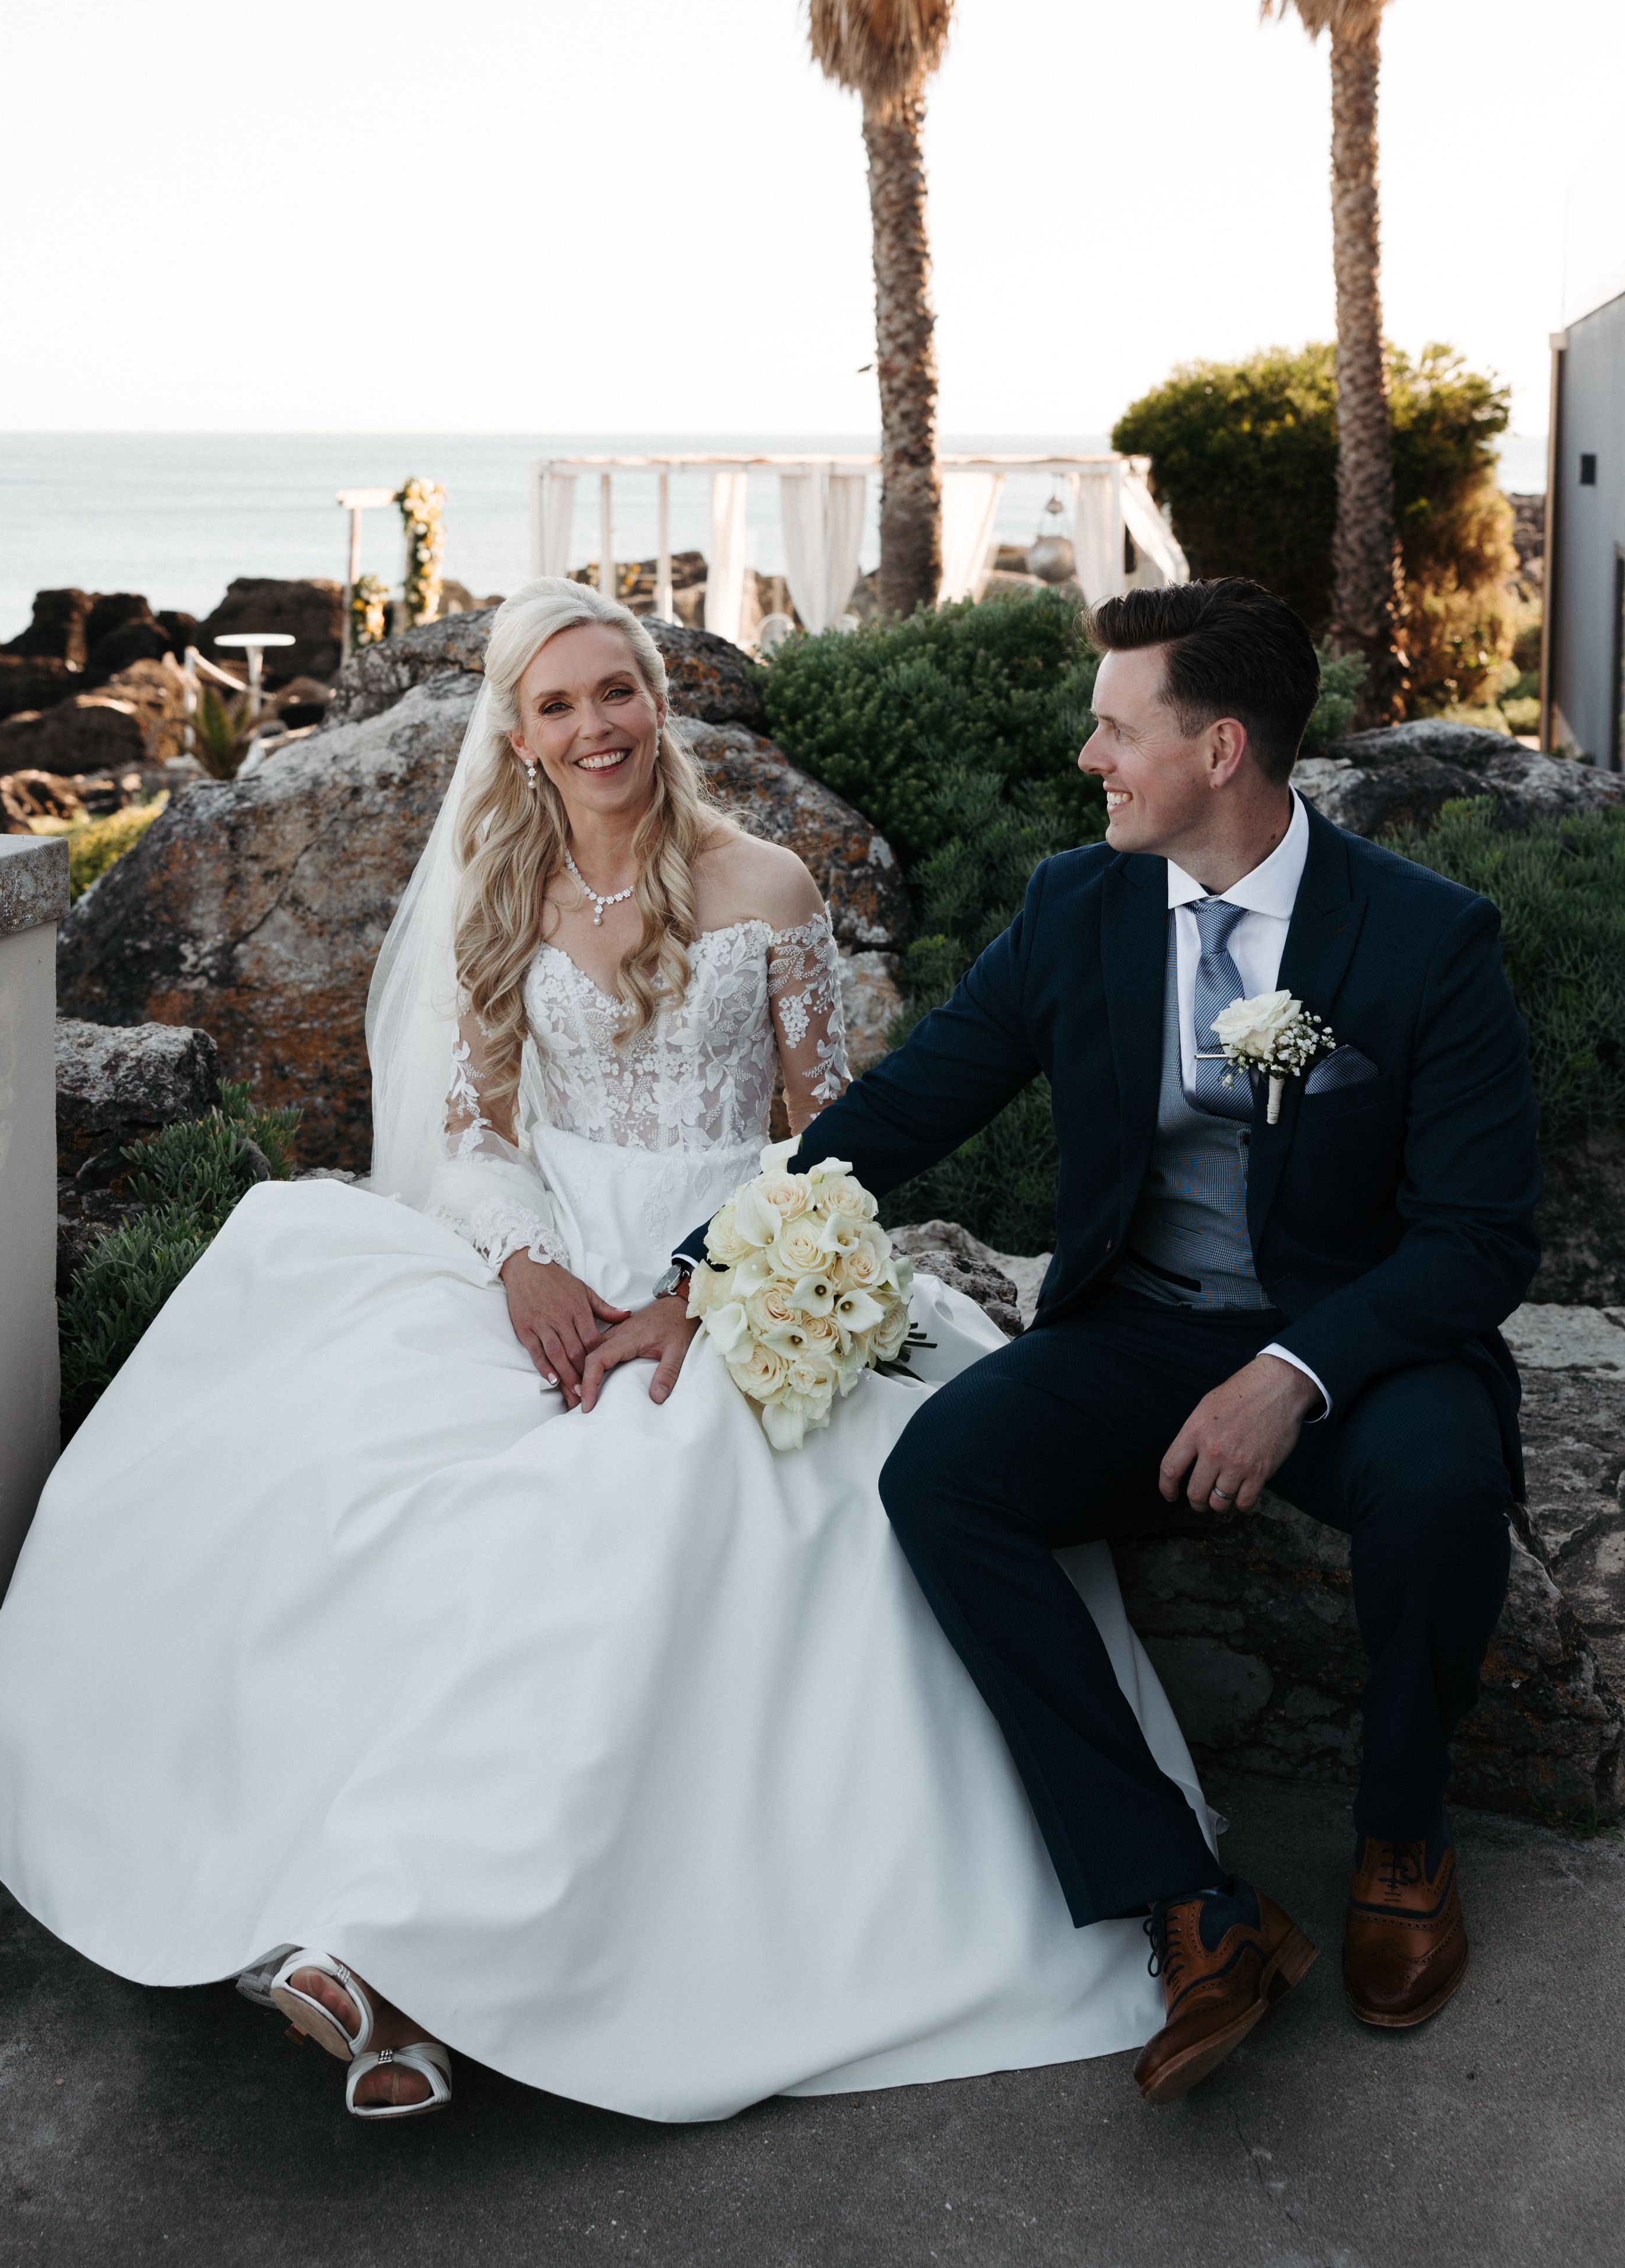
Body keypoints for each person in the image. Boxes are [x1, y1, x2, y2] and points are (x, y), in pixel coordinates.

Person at [0, 576, 1215, 2127]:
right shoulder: (499, 893)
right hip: (542, 1270)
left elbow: (827, 1138)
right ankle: (373, 1937)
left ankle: (397, 1953)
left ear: (655, 702)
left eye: (618, 691)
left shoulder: (768, 887)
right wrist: (526, 1261)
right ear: (520, 736)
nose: (596, 724)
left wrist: (722, 1281)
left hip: (733, 1286)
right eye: (559, 703)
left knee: (630, 1517)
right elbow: (471, 1129)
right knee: (358, 1485)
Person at [615, 575, 1540, 2105]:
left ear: (1223, 747)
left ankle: (1403, 1835)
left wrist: (1294, 1374)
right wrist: (699, 1263)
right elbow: (907, 1107)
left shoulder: (1426, 940)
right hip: (1139, 1330)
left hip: (1361, 1343)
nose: (1088, 755)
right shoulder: (1077, 906)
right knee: (946, 1479)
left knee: (1442, 1488)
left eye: (1118, 728)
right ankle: (1188, 1897)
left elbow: (1478, 1236)